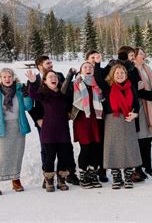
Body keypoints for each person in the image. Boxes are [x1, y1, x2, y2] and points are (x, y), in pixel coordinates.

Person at [27, 55, 79, 186]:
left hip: (62, 124)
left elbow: (69, 93)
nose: (51, 65)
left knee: (65, 151)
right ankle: (48, 178)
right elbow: (30, 102)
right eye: (47, 63)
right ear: (40, 66)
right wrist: (37, 119)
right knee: (48, 152)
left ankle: (67, 175)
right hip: (45, 123)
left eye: (51, 63)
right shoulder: (35, 82)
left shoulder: (59, 79)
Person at [0, 68, 32, 195]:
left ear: (13, 77)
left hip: (18, 126)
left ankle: (16, 180)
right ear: (0, 78)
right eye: (4, 77)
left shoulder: (20, 89)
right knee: (2, 156)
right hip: (3, 127)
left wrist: (27, 95)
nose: (7, 79)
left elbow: (28, 106)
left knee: (17, 154)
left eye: (9, 76)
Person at [94, 61, 141, 189]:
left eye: (122, 73)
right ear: (112, 75)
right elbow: (97, 78)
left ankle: (128, 177)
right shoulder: (108, 87)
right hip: (112, 120)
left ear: (126, 75)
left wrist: (135, 114)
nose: (120, 75)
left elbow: (136, 104)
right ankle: (116, 177)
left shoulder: (130, 87)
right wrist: (97, 63)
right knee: (113, 148)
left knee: (128, 148)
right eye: (117, 73)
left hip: (128, 120)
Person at [67, 61, 104, 189]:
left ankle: (93, 174)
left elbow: (102, 98)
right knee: (86, 148)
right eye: (85, 67)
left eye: (90, 67)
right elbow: (71, 100)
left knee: (95, 148)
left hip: (95, 118)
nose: (88, 69)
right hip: (82, 119)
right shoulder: (76, 84)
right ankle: (83, 174)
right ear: (81, 70)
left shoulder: (96, 84)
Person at [133, 48, 152, 178]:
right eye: (140, 53)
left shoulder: (147, 68)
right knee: (140, 139)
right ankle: (139, 167)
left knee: (148, 139)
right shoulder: (133, 70)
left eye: (144, 53)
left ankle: (148, 166)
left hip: (150, 106)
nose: (143, 55)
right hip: (140, 106)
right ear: (134, 56)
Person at [84, 50, 108, 183]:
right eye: (92, 58)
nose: (94, 60)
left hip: (101, 113)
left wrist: (98, 66)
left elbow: (101, 83)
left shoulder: (102, 72)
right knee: (89, 143)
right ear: (87, 60)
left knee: (101, 142)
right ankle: (89, 169)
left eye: (96, 57)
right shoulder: (81, 75)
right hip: (88, 115)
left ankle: (102, 170)